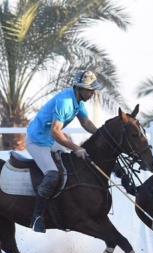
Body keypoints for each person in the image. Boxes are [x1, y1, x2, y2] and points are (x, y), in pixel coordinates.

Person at [26, 70, 102, 233]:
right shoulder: (65, 101)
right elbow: (55, 131)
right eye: (90, 90)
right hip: (37, 141)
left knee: (70, 166)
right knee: (52, 174)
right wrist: (76, 148)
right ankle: (37, 217)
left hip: (50, 140)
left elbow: (86, 122)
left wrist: (101, 135)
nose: (92, 93)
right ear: (79, 88)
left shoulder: (78, 102)